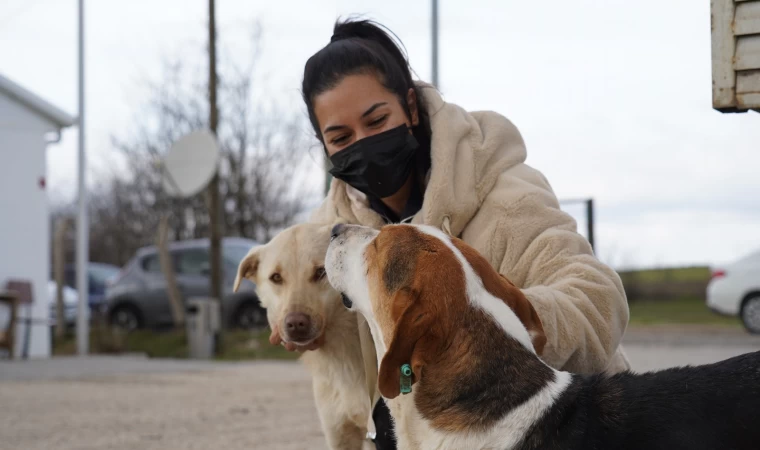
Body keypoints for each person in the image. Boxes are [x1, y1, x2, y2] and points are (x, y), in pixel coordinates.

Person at [299, 18, 630, 450]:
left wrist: (492, 320)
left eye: (377, 120)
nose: (362, 143)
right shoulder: (331, 229)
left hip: (558, 433)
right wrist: (305, 321)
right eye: (340, 137)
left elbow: (598, 299)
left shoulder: (504, 193)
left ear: (411, 109)